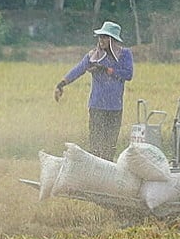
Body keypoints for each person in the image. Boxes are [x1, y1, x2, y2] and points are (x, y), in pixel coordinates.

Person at [54, 20, 134, 161]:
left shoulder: (125, 55)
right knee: (95, 144)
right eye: (100, 36)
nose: (101, 40)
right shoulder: (93, 56)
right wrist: (62, 84)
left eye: (104, 37)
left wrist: (107, 69)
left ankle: (107, 177)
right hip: (97, 106)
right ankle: (94, 177)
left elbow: (128, 74)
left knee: (110, 146)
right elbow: (79, 69)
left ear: (112, 40)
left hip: (115, 108)